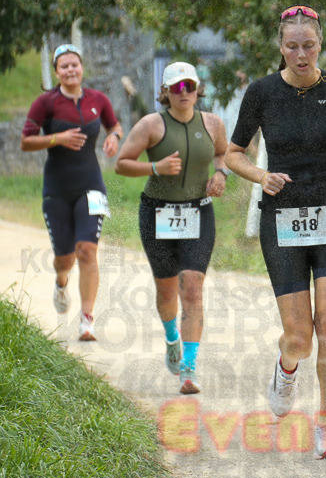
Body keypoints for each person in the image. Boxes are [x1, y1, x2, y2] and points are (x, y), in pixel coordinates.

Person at [225, 5, 326, 459]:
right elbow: (232, 153)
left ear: (320, 44)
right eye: (292, 46)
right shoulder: (262, 93)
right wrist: (259, 175)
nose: (300, 55)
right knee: (300, 337)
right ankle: (286, 369)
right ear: (280, 47)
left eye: (308, 46)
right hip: (281, 214)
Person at [114, 62, 228, 394]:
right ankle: (171, 337)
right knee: (167, 293)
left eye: (189, 86)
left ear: (197, 89)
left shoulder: (213, 123)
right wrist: (155, 166)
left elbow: (223, 154)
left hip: (199, 212)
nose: (184, 93)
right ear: (164, 92)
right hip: (158, 213)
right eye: (176, 87)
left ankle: (189, 368)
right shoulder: (150, 125)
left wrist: (220, 174)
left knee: (192, 289)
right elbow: (122, 163)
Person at [20, 44, 122, 341]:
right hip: (57, 189)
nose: (70, 70)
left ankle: (87, 320)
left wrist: (114, 138)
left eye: (74, 64)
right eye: (63, 66)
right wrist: (57, 138)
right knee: (65, 257)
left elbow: (114, 126)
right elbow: (27, 142)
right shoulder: (46, 103)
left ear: (82, 67)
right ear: (56, 72)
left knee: (87, 250)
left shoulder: (98, 100)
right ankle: (62, 281)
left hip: (91, 185)